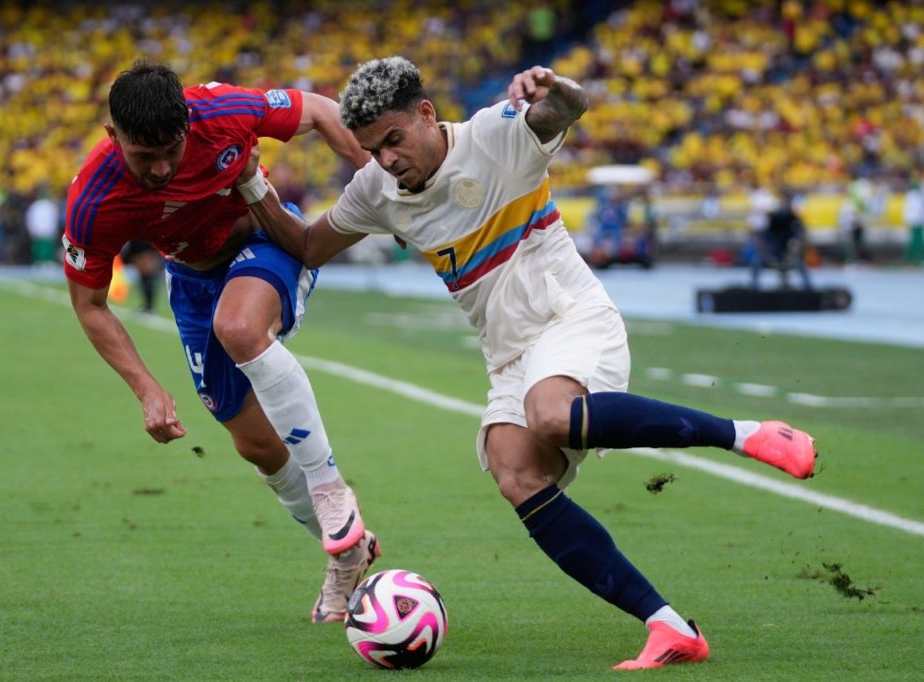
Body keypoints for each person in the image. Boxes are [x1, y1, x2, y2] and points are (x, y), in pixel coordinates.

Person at [237, 56, 819, 670]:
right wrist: (253, 185)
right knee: (515, 472)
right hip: (508, 355)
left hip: (570, 316)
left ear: (427, 115)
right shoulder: (378, 190)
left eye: (393, 141)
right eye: (372, 150)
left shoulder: (496, 135)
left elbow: (566, 108)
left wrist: (550, 86)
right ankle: (670, 626)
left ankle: (746, 434)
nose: (385, 160)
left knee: (550, 416)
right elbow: (306, 244)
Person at [61, 61, 380, 624]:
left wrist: (382, 183)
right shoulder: (94, 198)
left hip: (266, 239)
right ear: (114, 137)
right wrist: (147, 389)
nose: (160, 167)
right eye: (144, 156)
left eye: (171, 150)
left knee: (238, 328)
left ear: (188, 121)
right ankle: (348, 554)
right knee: (255, 445)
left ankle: (331, 490)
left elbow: (323, 111)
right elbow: (89, 304)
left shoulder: (224, 111)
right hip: (189, 279)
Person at [749, 190, 813, 290]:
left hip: (789, 256)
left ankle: (808, 288)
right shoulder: (772, 219)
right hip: (772, 255)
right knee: (756, 261)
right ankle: (753, 287)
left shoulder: (794, 220)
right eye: (782, 202)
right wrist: (767, 253)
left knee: (800, 264)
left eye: (786, 202)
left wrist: (794, 248)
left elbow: (801, 236)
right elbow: (760, 236)